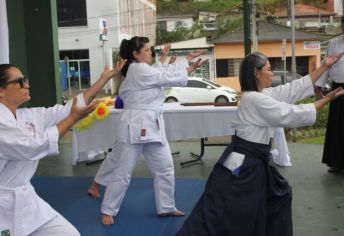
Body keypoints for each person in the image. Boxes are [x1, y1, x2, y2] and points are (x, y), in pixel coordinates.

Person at [176, 51, 344, 236]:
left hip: (253, 160)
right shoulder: (254, 99)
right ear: (256, 73)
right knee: (226, 211)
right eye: (268, 69)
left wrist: (325, 66)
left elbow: (292, 89)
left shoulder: (262, 94)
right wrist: (326, 99)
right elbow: (290, 114)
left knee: (275, 197)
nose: (272, 73)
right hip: (245, 162)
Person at [87, 36, 207, 226]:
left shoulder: (144, 70)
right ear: (136, 54)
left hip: (152, 125)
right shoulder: (137, 68)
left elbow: (162, 72)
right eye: (147, 50)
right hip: (133, 127)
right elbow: (163, 76)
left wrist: (187, 60)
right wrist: (189, 67)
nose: (151, 52)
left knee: (165, 167)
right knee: (123, 171)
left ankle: (166, 207)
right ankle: (108, 210)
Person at [0, 60, 125, 236]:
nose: (27, 85)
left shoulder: (26, 116)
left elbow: (66, 110)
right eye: (20, 81)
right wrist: (73, 119)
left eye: (26, 79)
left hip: (27, 201)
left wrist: (102, 80)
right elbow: (31, 147)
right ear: (1, 90)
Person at [314, 13, 344, 176]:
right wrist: (318, 88)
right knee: (337, 127)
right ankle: (337, 163)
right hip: (337, 89)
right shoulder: (334, 43)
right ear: (341, 27)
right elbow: (326, 66)